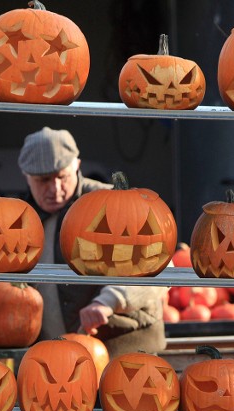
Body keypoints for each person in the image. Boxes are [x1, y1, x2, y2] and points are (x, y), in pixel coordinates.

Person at [17, 126, 168, 358]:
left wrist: (109, 301)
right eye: (43, 181)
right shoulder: (19, 222)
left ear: (77, 165)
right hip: (59, 363)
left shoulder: (115, 203)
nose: (55, 189)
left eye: (62, 177)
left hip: (127, 352)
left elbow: (162, 266)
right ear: (26, 177)